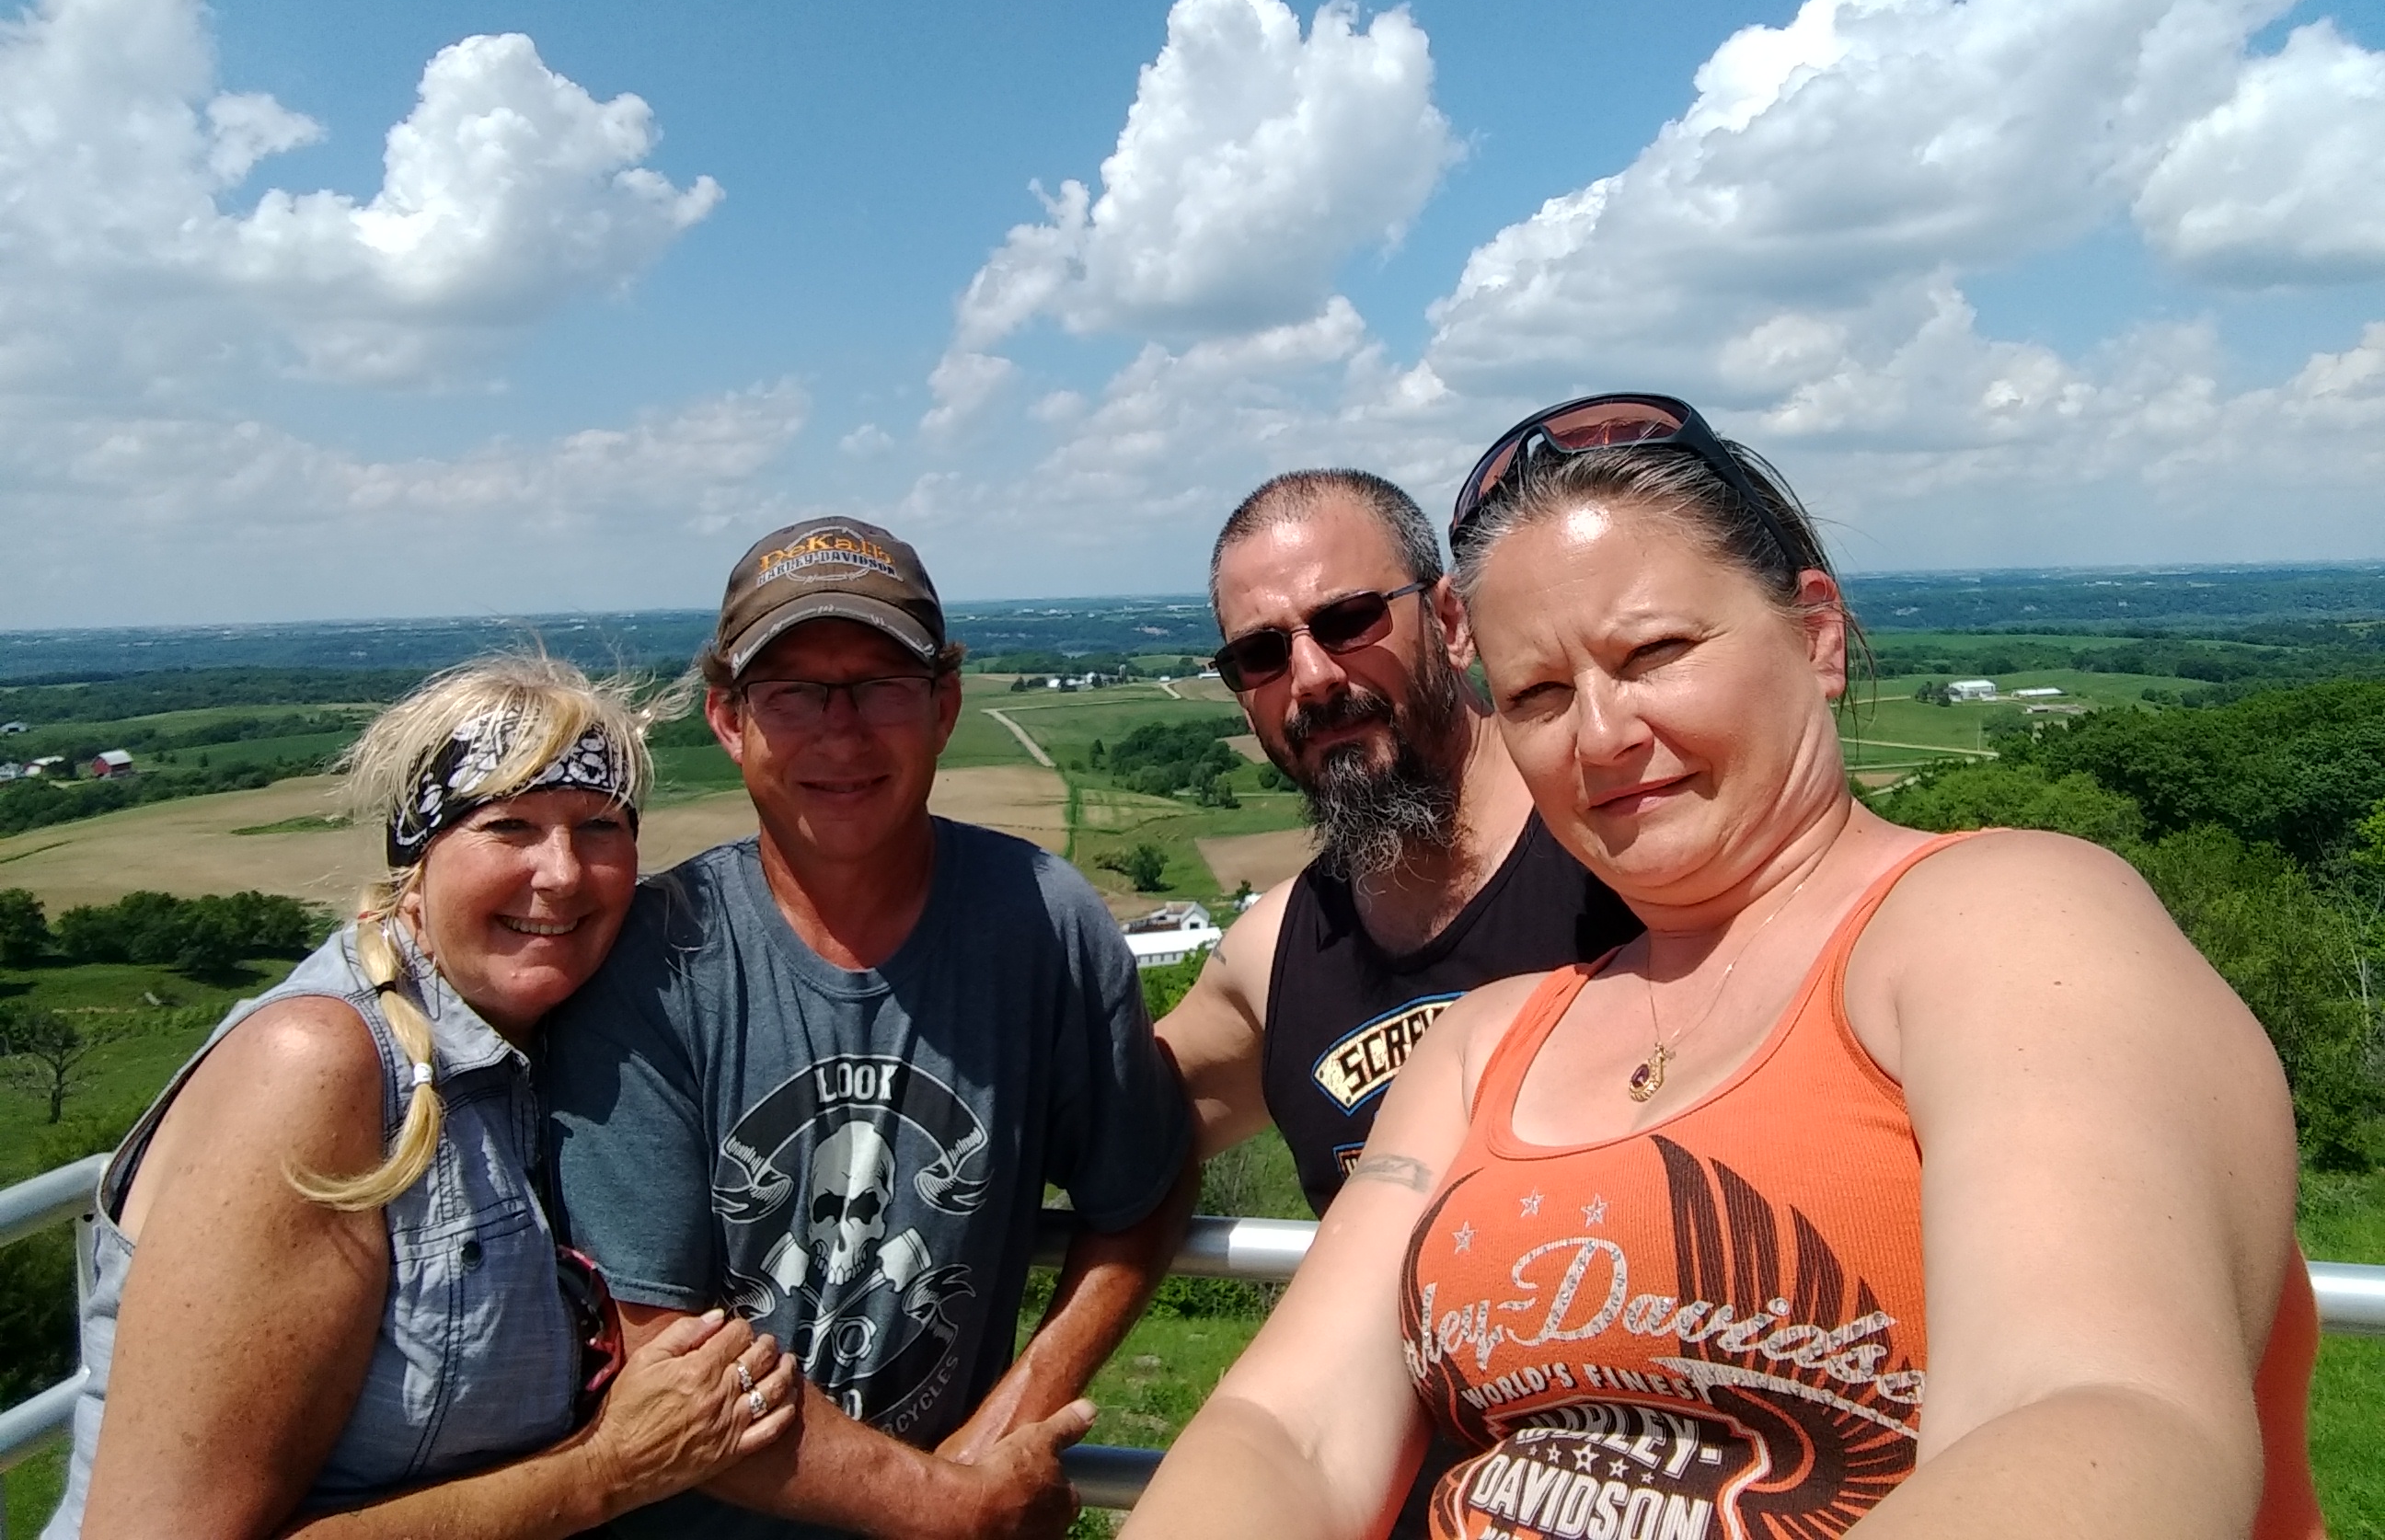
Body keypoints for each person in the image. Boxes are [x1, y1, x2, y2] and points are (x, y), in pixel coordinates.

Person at [1123, 395, 2322, 1540]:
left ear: (1817, 635)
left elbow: (2091, 1412)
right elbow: (1287, 1432)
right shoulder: (1484, 1044)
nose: (1602, 735)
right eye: (1539, 692)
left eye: (1655, 651)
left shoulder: (2006, 923)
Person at [544, 516, 1198, 1540]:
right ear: (728, 718)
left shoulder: (1042, 925)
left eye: (882, 686)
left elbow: (1143, 1192)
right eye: (792, 692)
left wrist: (1005, 1423)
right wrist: (945, 1505)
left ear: (944, 706)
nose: (840, 733)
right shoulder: (654, 964)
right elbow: (660, 1350)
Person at [52, 657, 799, 1540]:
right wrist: (608, 1471)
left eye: (599, 826)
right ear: (417, 855)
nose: (562, 873)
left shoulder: (545, 1044)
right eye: (509, 826)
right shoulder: (320, 1068)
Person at [1158, 471, 1642, 1218]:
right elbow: (1100, 1136)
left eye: (1349, 621)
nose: (1312, 678)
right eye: (1260, 655)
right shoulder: (1271, 962)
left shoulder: (1628, 848)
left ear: (1451, 622)